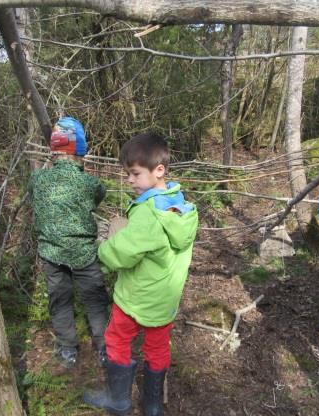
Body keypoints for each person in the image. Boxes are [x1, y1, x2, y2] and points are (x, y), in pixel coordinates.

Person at [83, 133, 199, 416]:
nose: (131, 181)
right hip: (164, 300)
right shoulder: (178, 203)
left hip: (136, 298)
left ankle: (119, 401)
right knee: (157, 348)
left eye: (135, 174)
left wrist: (103, 249)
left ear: (159, 170)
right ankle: (153, 405)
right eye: (128, 174)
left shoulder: (148, 213)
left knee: (117, 339)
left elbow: (121, 252)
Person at [28, 116, 110, 369]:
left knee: (59, 298)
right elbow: (97, 199)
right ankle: (104, 347)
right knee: (95, 298)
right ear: (80, 149)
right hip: (84, 251)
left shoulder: (37, 180)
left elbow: (36, 202)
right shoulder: (90, 183)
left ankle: (67, 349)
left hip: (51, 251)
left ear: (54, 149)